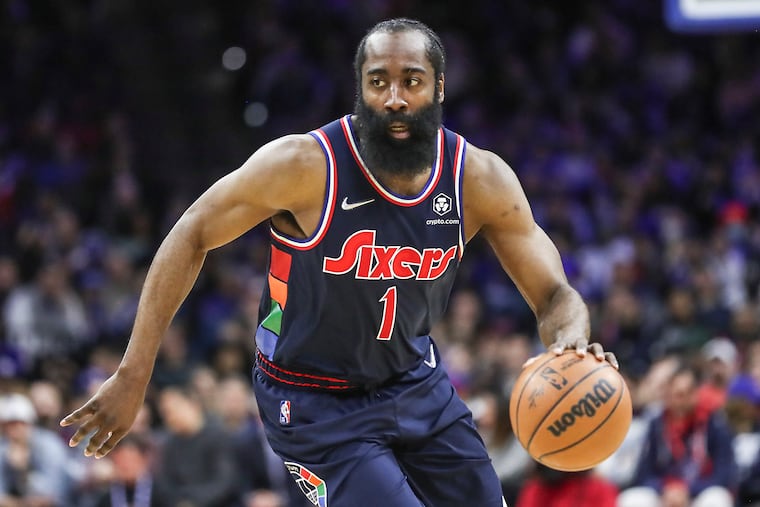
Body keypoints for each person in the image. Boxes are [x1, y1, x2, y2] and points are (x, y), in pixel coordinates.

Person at [60, 18, 617, 507]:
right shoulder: (304, 165)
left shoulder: (478, 179)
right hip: (311, 401)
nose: (394, 98)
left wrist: (570, 344)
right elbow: (191, 233)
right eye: (378, 82)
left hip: (413, 382)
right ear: (360, 88)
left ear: (440, 87)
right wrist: (134, 373)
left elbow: (555, 295)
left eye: (412, 81)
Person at [616, 364, 737, 507]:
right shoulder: (657, 424)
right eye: (673, 395)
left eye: (683, 394)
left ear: (695, 394)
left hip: (698, 493)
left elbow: (724, 475)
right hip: (665, 494)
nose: (677, 401)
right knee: (630, 500)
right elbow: (643, 474)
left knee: (718, 499)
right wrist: (665, 489)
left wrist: (688, 490)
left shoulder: (713, 424)